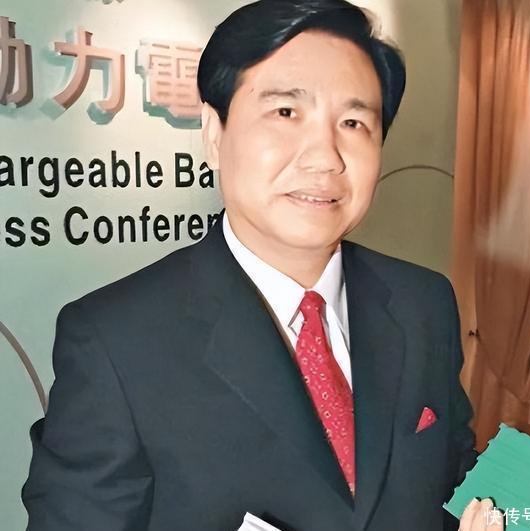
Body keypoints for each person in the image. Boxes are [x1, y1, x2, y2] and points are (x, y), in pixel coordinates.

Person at [22, 1, 502, 529]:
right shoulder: (115, 341)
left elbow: (456, 480)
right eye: (286, 113)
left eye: (353, 122)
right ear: (214, 133)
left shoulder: (422, 302)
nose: (325, 157)